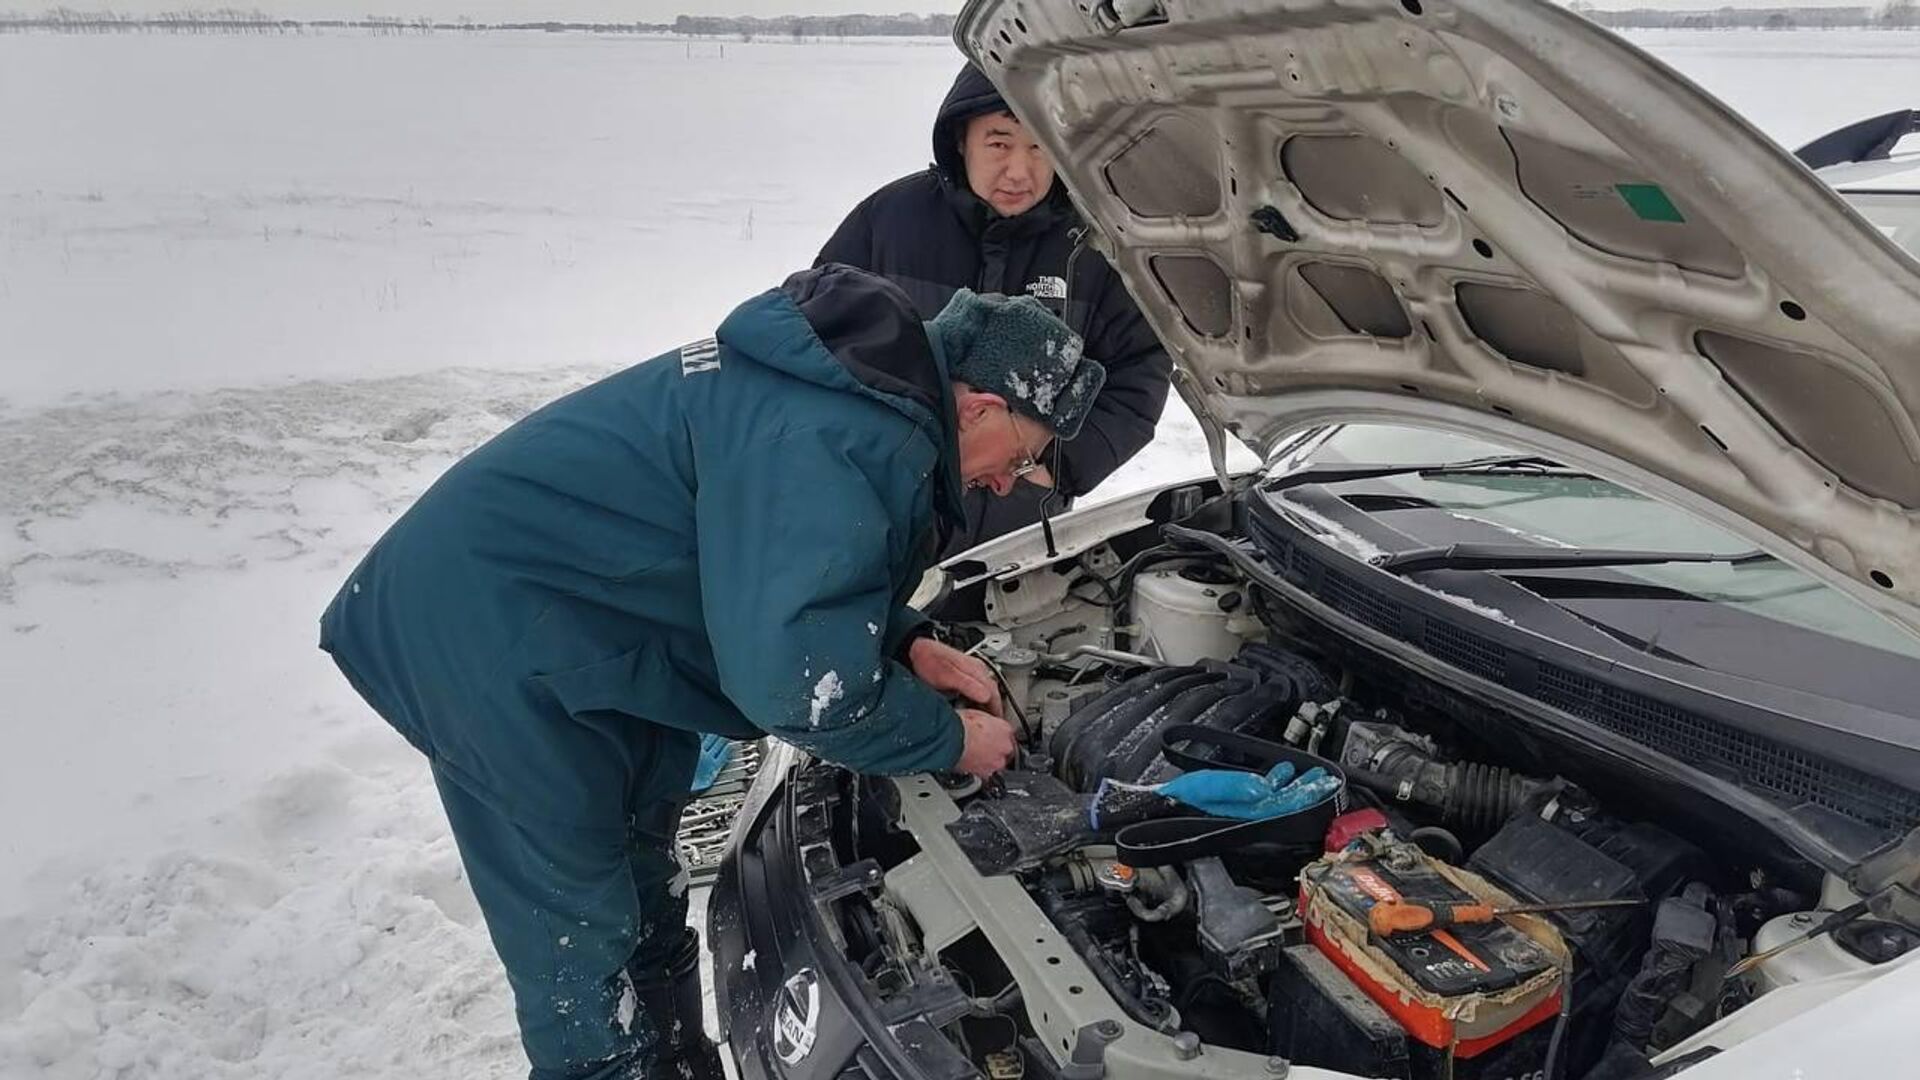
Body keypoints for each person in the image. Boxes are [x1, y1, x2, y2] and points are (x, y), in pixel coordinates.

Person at [318, 264, 1103, 1080]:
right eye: (1023, 456)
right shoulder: (842, 432)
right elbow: (798, 688)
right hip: (486, 630)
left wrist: (903, 640)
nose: (1009, 484)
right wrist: (946, 740)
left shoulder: (858, 398)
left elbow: (775, 559)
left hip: (589, 623)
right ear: (978, 406)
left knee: (641, 884)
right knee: (579, 945)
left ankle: (676, 1064)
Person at [819, 61, 1174, 553]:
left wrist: (1058, 466)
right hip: (884, 514)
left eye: (1039, 146)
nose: (1019, 171)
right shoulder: (890, 221)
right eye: (999, 143)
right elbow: (821, 340)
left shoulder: (1096, 247)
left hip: (1020, 533)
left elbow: (1140, 370)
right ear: (961, 139)